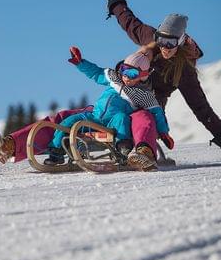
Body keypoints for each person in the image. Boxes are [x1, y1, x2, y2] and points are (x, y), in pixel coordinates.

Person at [103, 0, 221, 163]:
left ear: (181, 42)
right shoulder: (148, 37)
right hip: (130, 86)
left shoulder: (184, 70)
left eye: (171, 43)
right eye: (162, 40)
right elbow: (128, 20)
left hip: (154, 101)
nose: (165, 47)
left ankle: (140, 149)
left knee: (144, 118)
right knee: (114, 109)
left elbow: (201, 108)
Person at [42, 46, 173, 171]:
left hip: (113, 121)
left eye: (132, 73)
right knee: (69, 121)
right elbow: (96, 73)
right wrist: (80, 63)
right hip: (94, 117)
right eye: (124, 70)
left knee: (122, 119)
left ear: (142, 75)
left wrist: (164, 133)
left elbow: (157, 112)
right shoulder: (114, 78)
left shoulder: (143, 94)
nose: (126, 76)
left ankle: (124, 152)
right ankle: (56, 153)